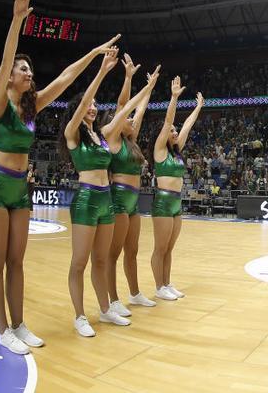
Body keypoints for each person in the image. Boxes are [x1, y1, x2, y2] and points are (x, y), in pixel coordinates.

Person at [0, 0, 120, 354]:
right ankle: (3, 329)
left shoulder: (31, 106)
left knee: (16, 261)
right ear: (10, 77)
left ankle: (20, 324)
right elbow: (7, 56)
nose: (29, 73)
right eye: (23, 69)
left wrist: (93, 53)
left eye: (29, 69)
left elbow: (66, 79)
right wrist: (16, 22)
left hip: (20, 189)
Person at [60, 47, 159, 337]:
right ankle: (79, 316)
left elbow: (126, 109)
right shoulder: (72, 132)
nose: (92, 107)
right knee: (79, 261)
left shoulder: (102, 136)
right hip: (86, 201)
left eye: (94, 104)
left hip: (106, 200)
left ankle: (104, 310)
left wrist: (148, 87)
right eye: (87, 104)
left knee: (101, 260)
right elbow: (86, 109)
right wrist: (102, 72)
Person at [106, 56, 161, 317]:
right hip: (117, 200)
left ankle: (135, 293)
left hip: (134, 201)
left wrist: (150, 88)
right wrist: (128, 78)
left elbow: (139, 110)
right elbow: (124, 106)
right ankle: (112, 299)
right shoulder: (114, 139)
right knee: (113, 253)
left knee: (133, 251)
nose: (131, 119)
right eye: (126, 118)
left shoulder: (131, 140)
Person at [151, 78, 204, 301]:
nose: (174, 132)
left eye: (175, 130)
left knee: (169, 249)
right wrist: (174, 97)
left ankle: (167, 283)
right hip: (162, 202)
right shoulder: (160, 151)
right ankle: (158, 287)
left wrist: (199, 107)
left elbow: (187, 125)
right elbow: (168, 122)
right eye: (171, 130)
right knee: (160, 248)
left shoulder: (176, 150)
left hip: (176, 202)